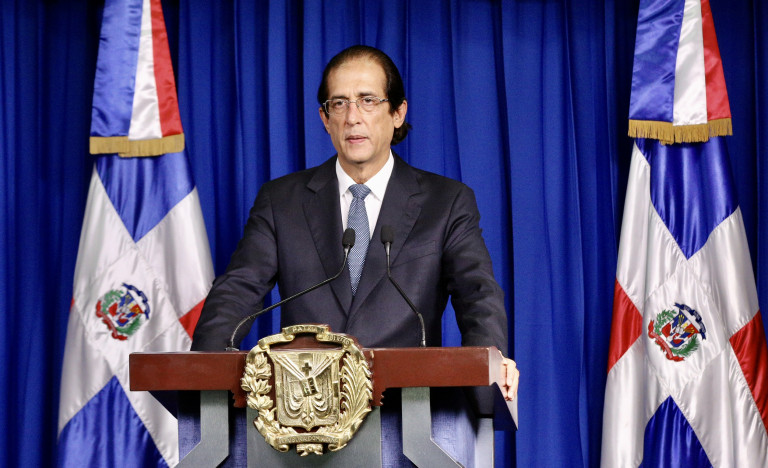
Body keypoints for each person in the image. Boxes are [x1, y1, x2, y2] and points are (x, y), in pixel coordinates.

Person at [192, 45, 518, 401]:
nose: (352, 117)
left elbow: (478, 294)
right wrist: (202, 370)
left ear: (398, 112)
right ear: (324, 118)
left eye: (368, 101)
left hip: (410, 407)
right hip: (303, 410)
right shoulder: (281, 201)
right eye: (339, 103)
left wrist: (490, 363)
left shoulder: (446, 202)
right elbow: (237, 292)